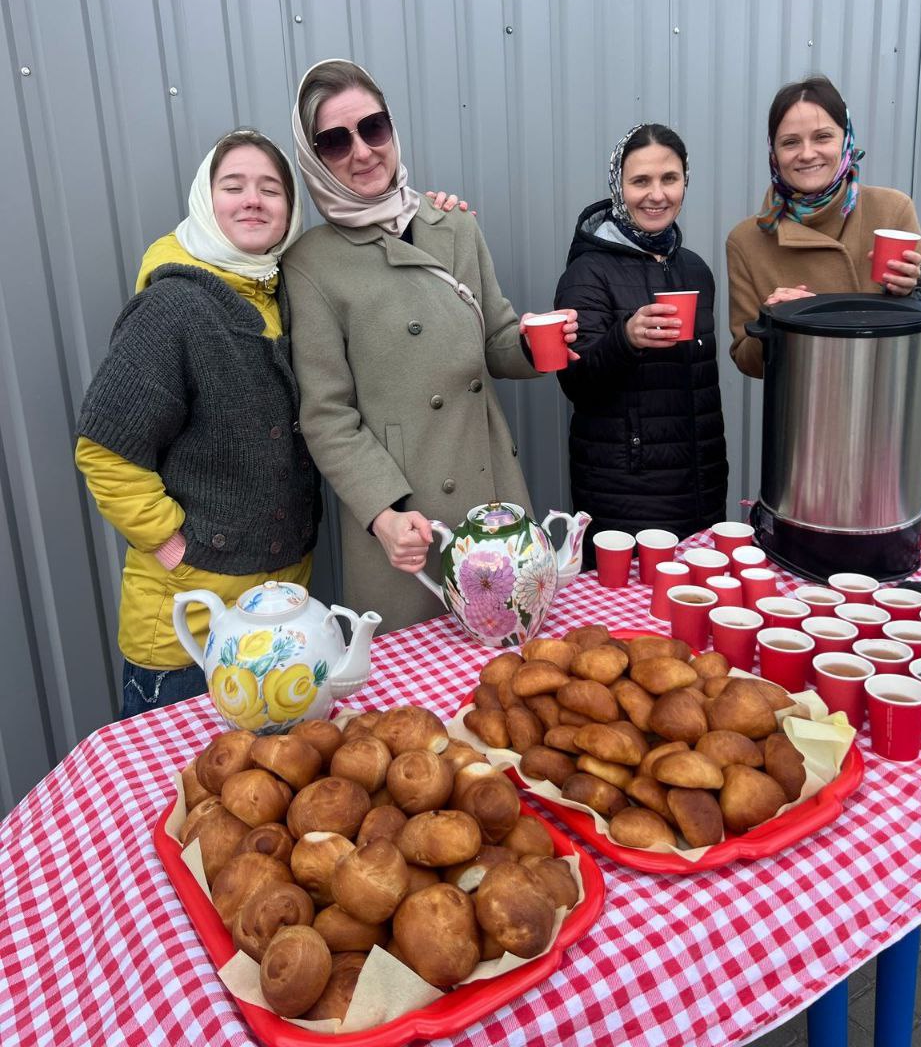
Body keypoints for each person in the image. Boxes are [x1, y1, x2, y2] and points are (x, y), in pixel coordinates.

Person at [282, 58, 577, 631]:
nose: (363, 152)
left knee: (511, 664)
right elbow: (327, 415)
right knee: (419, 680)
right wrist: (384, 514)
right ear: (313, 159)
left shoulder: (454, 225)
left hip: (491, 501)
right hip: (407, 522)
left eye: (373, 128)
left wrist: (535, 343)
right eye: (335, 141)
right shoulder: (311, 264)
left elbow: (495, 342)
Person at [75, 130, 320, 717]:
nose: (253, 199)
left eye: (271, 188)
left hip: (278, 621)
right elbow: (105, 449)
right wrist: (168, 543)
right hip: (189, 632)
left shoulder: (282, 296)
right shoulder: (174, 307)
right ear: (205, 202)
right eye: (233, 186)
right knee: (188, 778)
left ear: (291, 210)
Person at [726, 73, 921, 542]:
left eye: (822, 136)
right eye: (790, 142)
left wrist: (913, 290)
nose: (807, 153)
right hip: (815, 453)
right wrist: (772, 322)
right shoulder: (749, 240)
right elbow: (747, 361)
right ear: (773, 152)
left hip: (900, 436)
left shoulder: (891, 210)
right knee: (820, 573)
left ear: (846, 139)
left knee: (917, 572)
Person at [553, 122, 728, 560]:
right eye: (640, 181)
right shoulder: (588, 272)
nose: (657, 194)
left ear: (685, 181)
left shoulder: (695, 269)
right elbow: (575, 381)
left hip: (701, 487)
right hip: (624, 493)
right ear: (619, 187)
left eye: (669, 178)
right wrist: (626, 338)